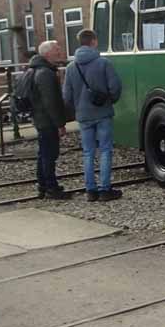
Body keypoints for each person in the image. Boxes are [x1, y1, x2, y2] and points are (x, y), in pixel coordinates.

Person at [63, 29, 122, 202]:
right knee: (105, 150)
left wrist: (79, 107)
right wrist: (110, 101)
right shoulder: (104, 63)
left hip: (83, 116)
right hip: (103, 113)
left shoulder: (70, 67)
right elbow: (115, 87)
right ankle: (105, 189)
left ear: (79, 42)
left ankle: (90, 190)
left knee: (88, 152)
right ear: (94, 42)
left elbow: (66, 95)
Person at [25, 40, 71, 200]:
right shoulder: (46, 73)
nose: (60, 52)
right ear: (47, 54)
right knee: (49, 154)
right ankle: (51, 187)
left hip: (41, 118)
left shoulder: (37, 70)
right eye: (57, 50)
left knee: (44, 153)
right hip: (46, 120)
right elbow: (51, 102)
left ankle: (44, 185)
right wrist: (60, 124)